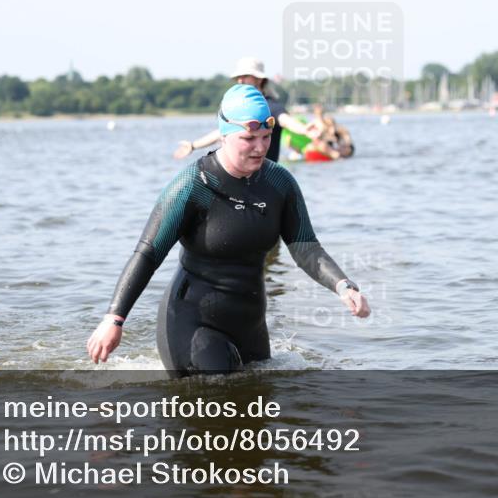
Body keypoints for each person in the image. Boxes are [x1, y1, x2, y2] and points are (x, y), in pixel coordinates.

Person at [90, 84, 370, 375]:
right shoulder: (193, 186)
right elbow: (147, 254)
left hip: (250, 325)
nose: (260, 147)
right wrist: (114, 319)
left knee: (259, 406)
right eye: (249, 138)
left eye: (266, 137)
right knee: (217, 393)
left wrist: (343, 286)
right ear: (224, 136)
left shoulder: (279, 183)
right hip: (193, 324)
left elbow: (305, 247)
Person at [173, 57, 318, 163]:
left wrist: (304, 129)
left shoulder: (270, 106)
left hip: (265, 175)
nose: (240, 81)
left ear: (259, 79)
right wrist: (193, 146)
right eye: (238, 77)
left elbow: (286, 121)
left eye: (245, 76)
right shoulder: (238, 107)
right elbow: (222, 132)